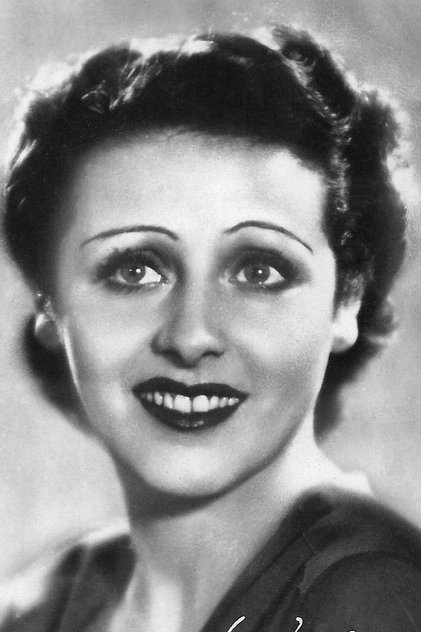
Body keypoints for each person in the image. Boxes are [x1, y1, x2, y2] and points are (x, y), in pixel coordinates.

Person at [2, 23, 421, 632]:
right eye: (135, 270)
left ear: (345, 301)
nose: (191, 335)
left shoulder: (375, 602)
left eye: (259, 271)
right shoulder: (40, 606)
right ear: (49, 298)